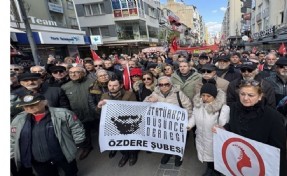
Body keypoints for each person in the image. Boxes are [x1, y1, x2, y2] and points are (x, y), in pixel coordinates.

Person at [213, 79, 286, 176]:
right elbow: (233, 125)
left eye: (251, 95)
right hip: (237, 163)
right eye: (242, 94)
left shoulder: (274, 117)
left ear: (260, 96)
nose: (245, 98)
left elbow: (278, 151)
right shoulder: (234, 108)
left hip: (260, 166)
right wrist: (223, 129)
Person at [10, 93, 86, 176]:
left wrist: (78, 141)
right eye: (25, 106)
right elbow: (12, 138)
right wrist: (12, 153)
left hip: (63, 153)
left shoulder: (62, 114)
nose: (30, 108)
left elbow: (76, 127)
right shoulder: (18, 120)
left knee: (71, 172)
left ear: (45, 102)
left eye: (34, 104)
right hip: (38, 160)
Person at [144, 76, 193, 167]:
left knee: (179, 140)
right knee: (166, 139)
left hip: (177, 124)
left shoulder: (178, 94)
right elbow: (144, 104)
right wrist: (149, 100)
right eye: (161, 85)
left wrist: (187, 122)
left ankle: (178, 155)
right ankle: (168, 153)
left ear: (171, 84)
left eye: (166, 84)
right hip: (163, 124)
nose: (164, 87)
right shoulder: (155, 93)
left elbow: (188, 107)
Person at [188, 83, 230, 176]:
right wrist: (189, 125)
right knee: (206, 155)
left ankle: (216, 172)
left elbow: (223, 126)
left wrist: (220, 129)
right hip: (201, 136)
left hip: (213, 139)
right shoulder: (198, 105)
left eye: (208, 96)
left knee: (215, 157)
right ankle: (210, 169)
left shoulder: (222, 109)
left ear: (214, 96)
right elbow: (194, 117)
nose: (205, 98)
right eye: (203, 95)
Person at [97, 78, 138, 167]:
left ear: (121, 85)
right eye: (110, 85)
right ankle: (124, 155)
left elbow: (135, 109)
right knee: (118, 140)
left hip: (127, 123)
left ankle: (132, 154)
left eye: (115, 85)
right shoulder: (104, 95)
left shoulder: (129, 94)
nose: (112, 88)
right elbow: (100, 112)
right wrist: (99, 107)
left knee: (130, 139)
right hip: (113, 124)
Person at [61, 66, 96, 160]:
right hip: (78, 115)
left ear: (83, 73)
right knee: (84, 133)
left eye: (76, 72)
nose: (73, 74)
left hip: (95, 114)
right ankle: (87, 148)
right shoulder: (65, 87)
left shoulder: (92, 83)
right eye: (71, 72)